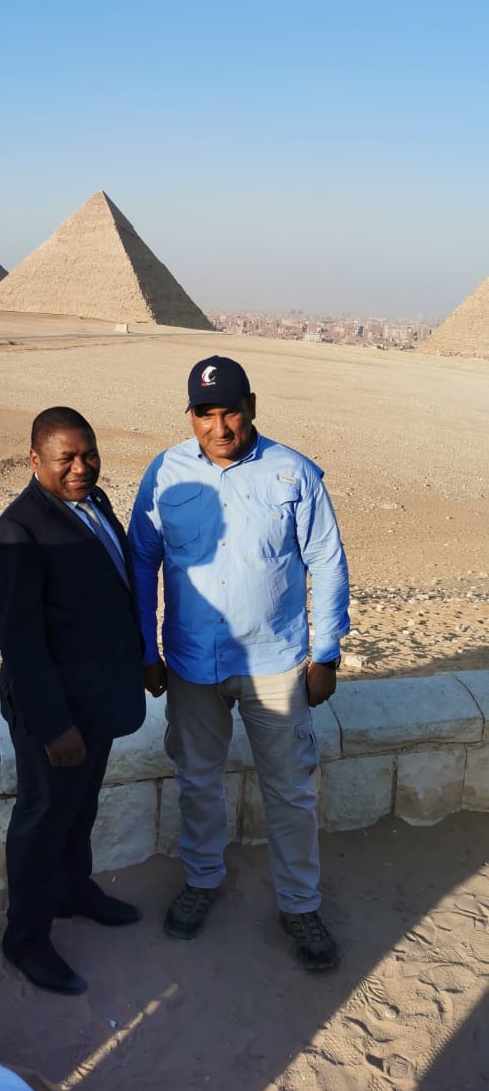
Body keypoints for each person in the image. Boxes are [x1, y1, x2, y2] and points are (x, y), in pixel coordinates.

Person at [128, 356, 350, 970]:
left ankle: (300, 904)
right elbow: (142, 562)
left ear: (252, 406)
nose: (219, 426)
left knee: (291, 791)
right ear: (190, 416)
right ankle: (202, 881)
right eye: (206, 414)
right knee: (197, 781)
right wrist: (146, 651)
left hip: (275, 663)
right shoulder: (165, 473)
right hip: (191, 662)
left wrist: (326, 653)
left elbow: (327, 561)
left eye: (231, 411)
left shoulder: (294, 472)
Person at [0, 406, 146, 996]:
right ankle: (25, 937)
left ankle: (74, 891)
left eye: (89, 454)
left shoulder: (94, 502)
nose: (81, 467)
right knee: (42, 817)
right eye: (66, 458)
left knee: (81, 806)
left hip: (98, 697)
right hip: (55, 712)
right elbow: (20, 642)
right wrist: (55, 726)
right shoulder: (18, 531)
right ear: (35, 460)